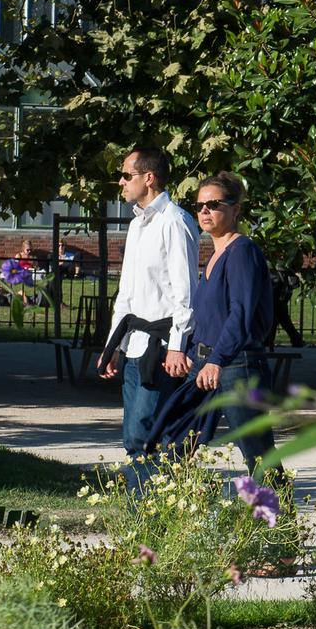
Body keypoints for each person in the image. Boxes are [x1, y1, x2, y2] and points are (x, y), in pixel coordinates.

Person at [148, 171, 277, 471]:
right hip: (203, 363)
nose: (205, 211)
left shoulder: (242, 252)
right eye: (199, 206)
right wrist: (188, 351)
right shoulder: (215, 255)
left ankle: (276, 502)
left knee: (257, 453)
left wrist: (217, 360)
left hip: (236, 366)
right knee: (175, 441)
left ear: (235, 209)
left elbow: (240, 314)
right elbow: (209, 316)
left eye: (214, 204)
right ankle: (171, 499)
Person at [97, 147, 199, 460]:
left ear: (149, 178)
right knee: (134, 435)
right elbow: (126, 293)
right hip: (134, 344)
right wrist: (113, 345)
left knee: (145, 437)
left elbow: (185, 292)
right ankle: (144, 490)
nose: (121, 182)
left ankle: (151, 489)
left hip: (162, 347)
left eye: (126, 175)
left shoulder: (174, 221)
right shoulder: (137, 225)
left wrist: (178, 346)